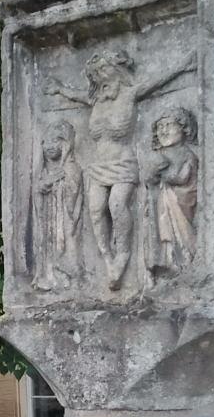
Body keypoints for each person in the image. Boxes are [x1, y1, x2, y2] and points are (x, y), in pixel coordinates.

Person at [45, 47, 195, 290]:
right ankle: (107, 258)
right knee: (95, 210)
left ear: (116, 72)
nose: (101, 79)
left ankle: (123, 254)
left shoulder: (130, 94)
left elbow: (157, 82)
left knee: (117, 205)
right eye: (97, 75)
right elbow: (76, 95)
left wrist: (182, 65)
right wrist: (59, 89)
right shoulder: (95, 100)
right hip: (98, 166)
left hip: (124, 163)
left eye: (104, 72)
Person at [141, 107, 198, 286]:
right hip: (159, 202)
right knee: (157, 230)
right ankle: (164, 262)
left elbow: (183, 178)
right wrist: (151, 176)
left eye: (169, 125)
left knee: (178, 229)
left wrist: (165, 176)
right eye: (160, 127)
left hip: (180, 200)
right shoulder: (158, 156)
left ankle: (182, 257)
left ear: (184, 128)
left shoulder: (188, 154)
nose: (163, 130)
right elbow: (147, 180)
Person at [31, 120, 84, 291]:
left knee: (69, 243)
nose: (49, 146)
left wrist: (58, 184)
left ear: (66, 144)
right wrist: (43, 186)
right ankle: (47, 276)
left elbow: (74, 194)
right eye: (46, 141)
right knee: (46, 244)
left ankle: (71, 276)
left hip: (65, 218)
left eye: (55, 141)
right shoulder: (42, 171)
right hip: (47, 219)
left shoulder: (71, 168)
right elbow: (37, 191)